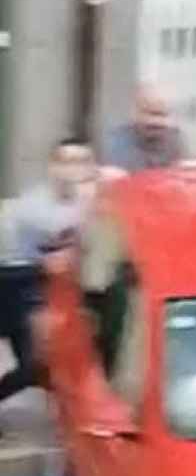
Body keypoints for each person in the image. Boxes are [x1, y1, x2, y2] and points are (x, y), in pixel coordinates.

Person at [1, 140, 96, 436]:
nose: (73, 169)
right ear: (52, 167)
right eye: (66, 161)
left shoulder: (89, 203)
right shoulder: (34, 207)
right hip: (16, 282)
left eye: (81, 161)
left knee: (41, 364)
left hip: (48, 290)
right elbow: (55, 253)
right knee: (37, 362)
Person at [102, 84, 186, 174]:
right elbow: (119, 174)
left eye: (161, 114)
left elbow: (182, 171)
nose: (155, 121)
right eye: (148, 113)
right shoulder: (119, 139)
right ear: (135, 113)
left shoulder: (173, 137)